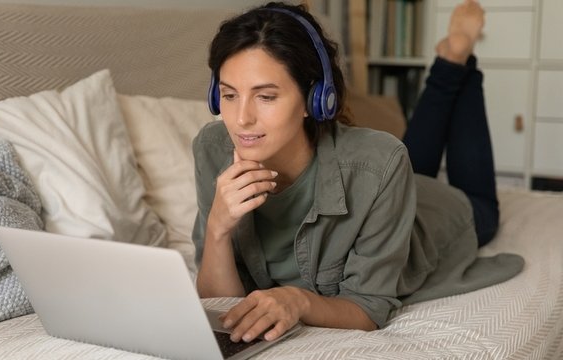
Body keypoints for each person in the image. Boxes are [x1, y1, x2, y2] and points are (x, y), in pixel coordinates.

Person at [191, 0, 523, 343]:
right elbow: (221, 307)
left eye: (266, 97)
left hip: (435, 214)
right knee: (404, 157)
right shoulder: (212, 150)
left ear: (314, 97)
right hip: (384, 185)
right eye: (229, 95)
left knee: (472, 199)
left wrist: (298, 300)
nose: (241, 119)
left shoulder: (379, 164)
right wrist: (217, 227)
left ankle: (456, 60)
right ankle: (450, 62)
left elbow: (368, 307)